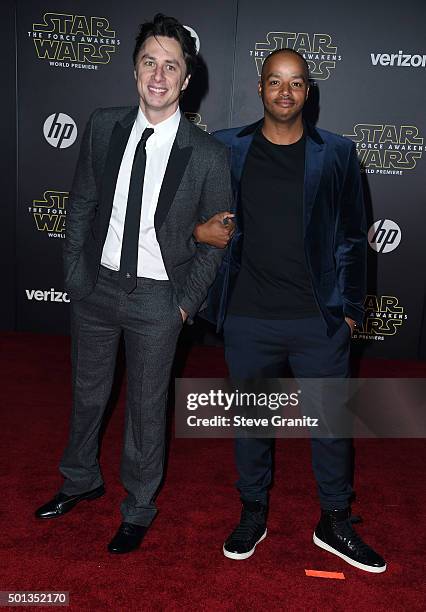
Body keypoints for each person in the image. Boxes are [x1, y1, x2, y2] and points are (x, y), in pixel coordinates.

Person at [35, 13, 232, 555]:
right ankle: (80, 480)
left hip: (158, 300)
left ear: (188, 79)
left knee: (147, 411)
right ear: (134, 70)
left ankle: (139, 507)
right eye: (150, 62)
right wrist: (76, 276)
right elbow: (81, 205)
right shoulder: (102, 126)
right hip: (95, 289)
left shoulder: (209, 155)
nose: (160, 75)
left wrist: (183, 307)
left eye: (172, 65)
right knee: (86, 397)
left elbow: (218, 242)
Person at [196, 48, 386, 573]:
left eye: (296, 83)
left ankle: (334, 521)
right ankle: (253, 510)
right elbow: (191, 214)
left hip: (317, 320)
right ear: (259, 88)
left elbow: (352, 235)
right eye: (275, 82)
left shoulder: (339, 153)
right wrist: (197, 233)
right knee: (251, 422)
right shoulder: (225, 147)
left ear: (308, 92)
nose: (285, 92)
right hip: (250, 317)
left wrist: (348, 312)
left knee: (330, 426)